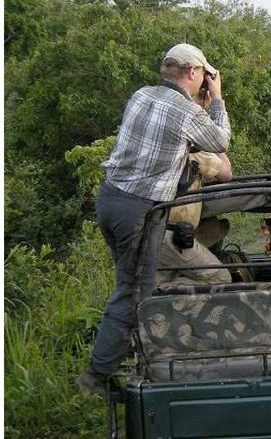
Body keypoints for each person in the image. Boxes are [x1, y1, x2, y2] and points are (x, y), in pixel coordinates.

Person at [77, 43, 231, 396]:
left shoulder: (142, 96)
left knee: (136, 285)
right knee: (133, 292)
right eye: (203, 75)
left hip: (111, 200)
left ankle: (137, 356)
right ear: (193, 72)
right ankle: (96, 377)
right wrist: (218, 98)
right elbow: (220, 140)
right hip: (139, 209)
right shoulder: (185, 111)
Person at [155, 149, 233, 291]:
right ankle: (163, 292)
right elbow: (226, 174)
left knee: (161, 277)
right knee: (221, 278)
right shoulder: (194, 151)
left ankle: (156, 299)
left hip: (154, 228)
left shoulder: (160, 151)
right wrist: (219, 148)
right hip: (173, 234)